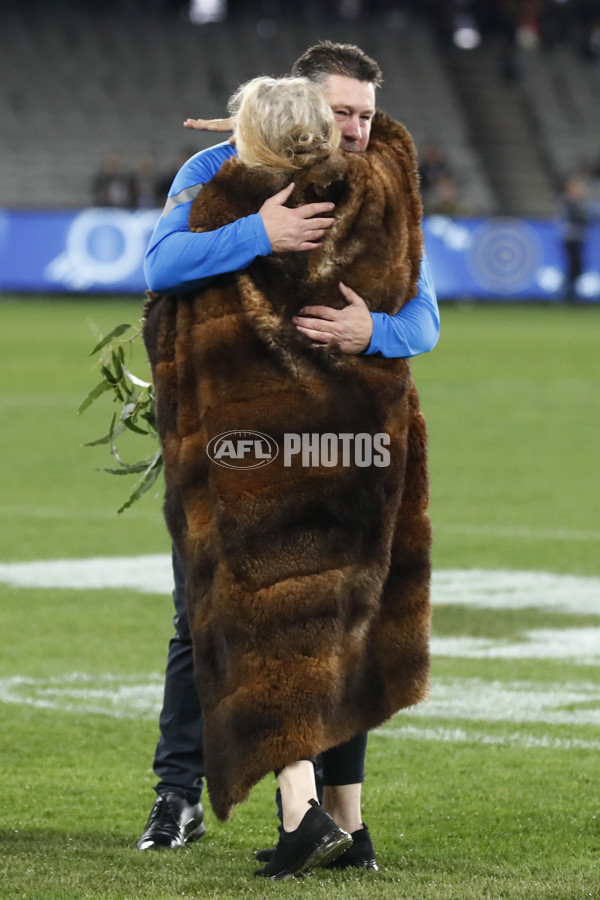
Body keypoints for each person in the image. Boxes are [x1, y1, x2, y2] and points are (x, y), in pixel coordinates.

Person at [138, 41, 438, 872]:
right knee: (202, 617)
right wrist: (256, 230)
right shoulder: (215, 167)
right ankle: (178, 794)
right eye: (339, 112)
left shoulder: (380, 188)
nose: (352, 129)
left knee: (329, 622)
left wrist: (368, 330)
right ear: (296, 106)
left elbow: (426, 322)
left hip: (336, 447)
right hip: (241, 446)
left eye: (366, 116)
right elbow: (160, 264)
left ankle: (321, 818)